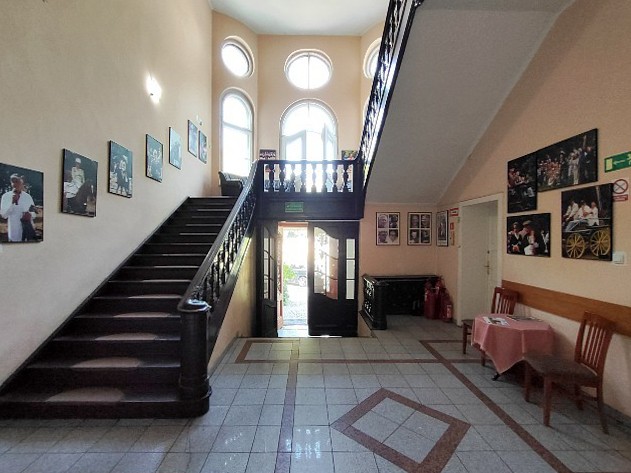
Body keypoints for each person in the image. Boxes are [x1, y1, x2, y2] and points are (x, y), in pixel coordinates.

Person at [0, 174, 36, 242]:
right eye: (13, 181)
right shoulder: (6, 196)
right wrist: (12, 203)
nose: (15, 184)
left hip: (28, 231)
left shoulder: (28, 197)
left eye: (17, 181)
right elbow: (4, 215)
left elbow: (34, 213)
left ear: (22, 183)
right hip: (14, 232)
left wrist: (30, 215)